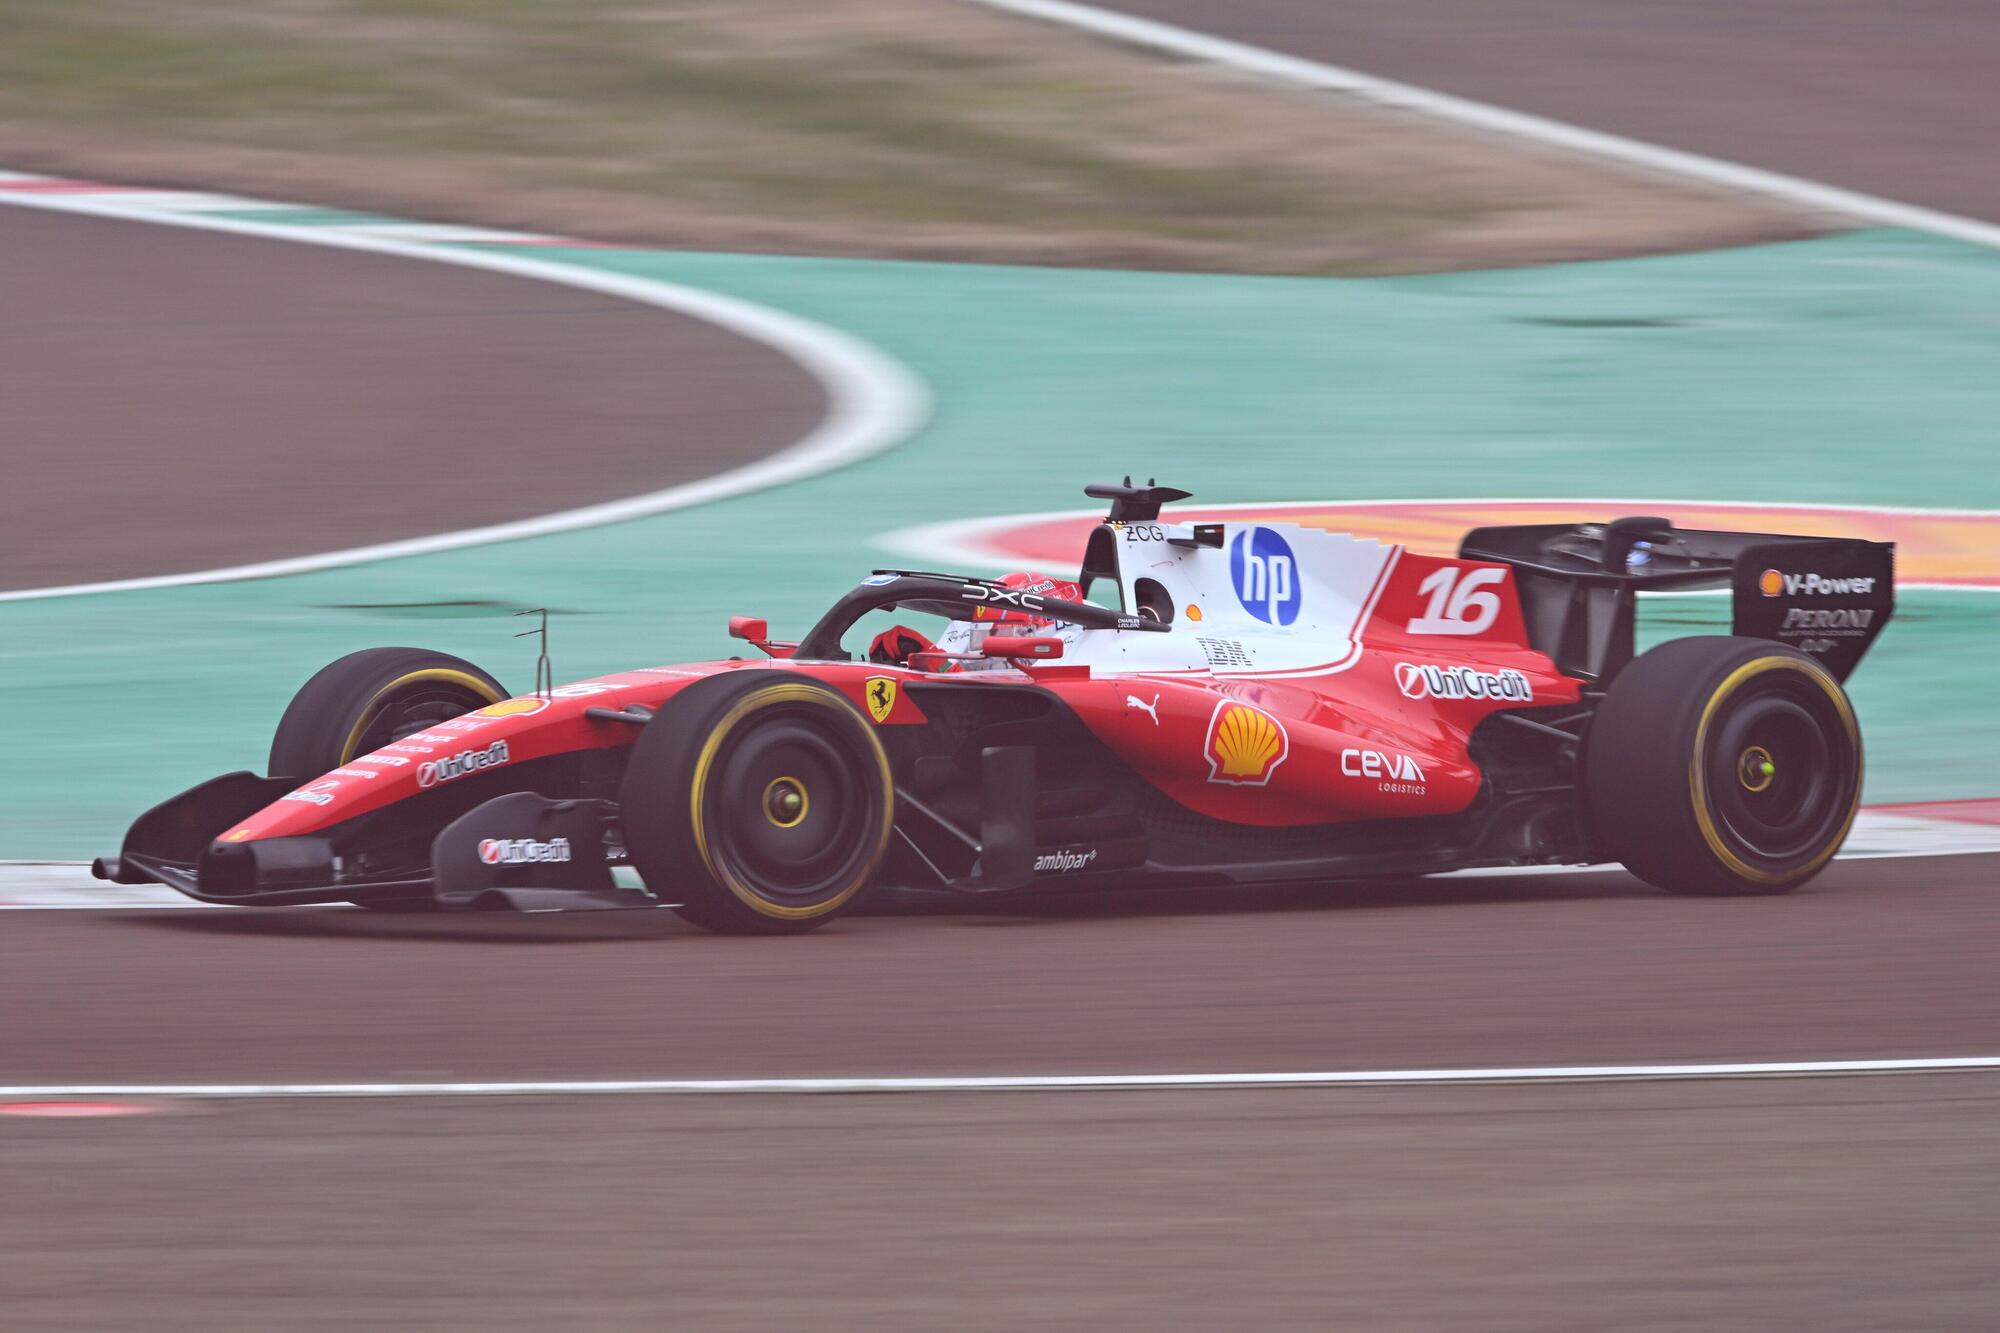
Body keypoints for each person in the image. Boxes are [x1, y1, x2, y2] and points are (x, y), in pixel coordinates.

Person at [868, 571, 1084, 671]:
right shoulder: (966, 634)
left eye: (1006, 634)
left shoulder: (1085, 650)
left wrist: (940, 667)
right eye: (984, 632)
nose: (990, 643)